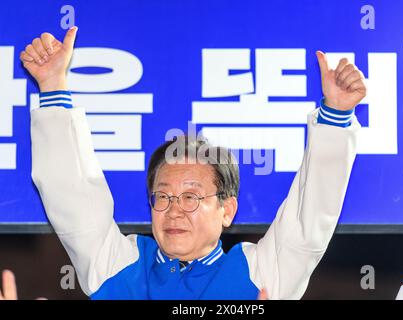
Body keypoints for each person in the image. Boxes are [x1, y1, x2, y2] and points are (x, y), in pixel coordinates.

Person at [21, 27, 366, 299]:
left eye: (190, 197)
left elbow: (311, 217)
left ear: (227, 210)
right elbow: (70, 192)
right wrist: (52, 86)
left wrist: (335, 114)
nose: (174, 210)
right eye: (163, 196)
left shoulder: (260, 273)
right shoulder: (117, 265)